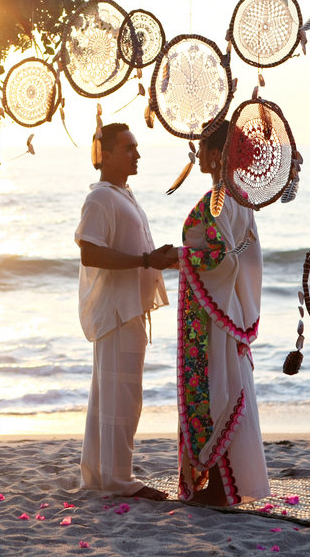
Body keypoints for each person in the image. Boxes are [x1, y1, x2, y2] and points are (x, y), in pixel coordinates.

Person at [75, 122, 177, 501]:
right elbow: (90, 251)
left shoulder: (122, 194)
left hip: (129, 309)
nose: (137, 155)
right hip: (117, 311)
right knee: (122, 398)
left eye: (136, 148)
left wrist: (159, 260)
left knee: (112, 396)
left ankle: (100, 476)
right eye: (128, 149)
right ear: (105, 155)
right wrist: (146, 259)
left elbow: (136, 250)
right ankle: (118, 481)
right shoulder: (100, 199)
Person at [176, 119, 271, 506]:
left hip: (215, 314)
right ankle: (221, 483)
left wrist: (178, 256)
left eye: (202, 148)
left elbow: (222, 257)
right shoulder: (238, 196)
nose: (198, 154)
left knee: (216, 388)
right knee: (224, 385)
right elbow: (242, 258)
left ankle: (218, 486)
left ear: (217, 155)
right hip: (224, 308)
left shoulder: (222, 197)